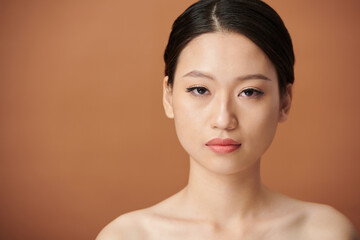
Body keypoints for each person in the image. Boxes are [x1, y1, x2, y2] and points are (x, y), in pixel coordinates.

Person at [96, 0, 359, 239]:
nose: (223, 120)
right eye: (200, 90)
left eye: (249, 92)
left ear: (285, 101)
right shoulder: (127, 235)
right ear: (168, 97)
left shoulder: (325, 232)